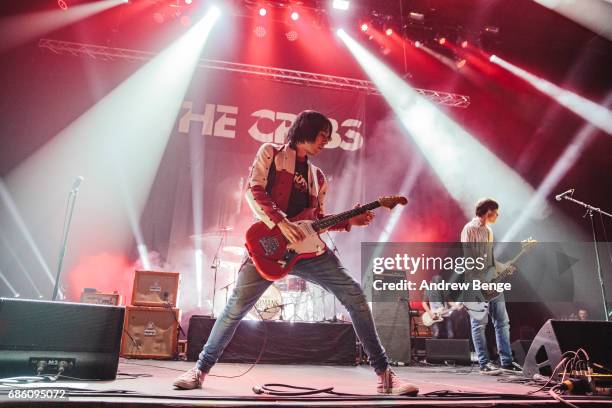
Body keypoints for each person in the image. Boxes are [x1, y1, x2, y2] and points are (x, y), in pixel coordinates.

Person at [173, 110, 418, 395]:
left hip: (309, 253)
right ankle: (200, 370)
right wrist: (280, 222)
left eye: (328, 137)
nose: (326, 141)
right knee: (233, 310)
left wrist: (349, 221)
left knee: (356, 297)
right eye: (322, 135)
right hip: (268, 247)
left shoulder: (318, 177)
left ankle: (385, 375)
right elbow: (254, 191)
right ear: (306, 130)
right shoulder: (272, 154)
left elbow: (318, 221)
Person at [461, 198, 521, 375]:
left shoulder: (488, 231)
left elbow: (490, 260)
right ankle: (484, 363)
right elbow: (469, 260)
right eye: (496, 212)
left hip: (492, 283)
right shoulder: (469, 229)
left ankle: (507, 362)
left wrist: (504, 267)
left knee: (502, 322)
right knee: (479, 325)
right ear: (488, 211)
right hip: (475, 284)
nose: (498, 215)